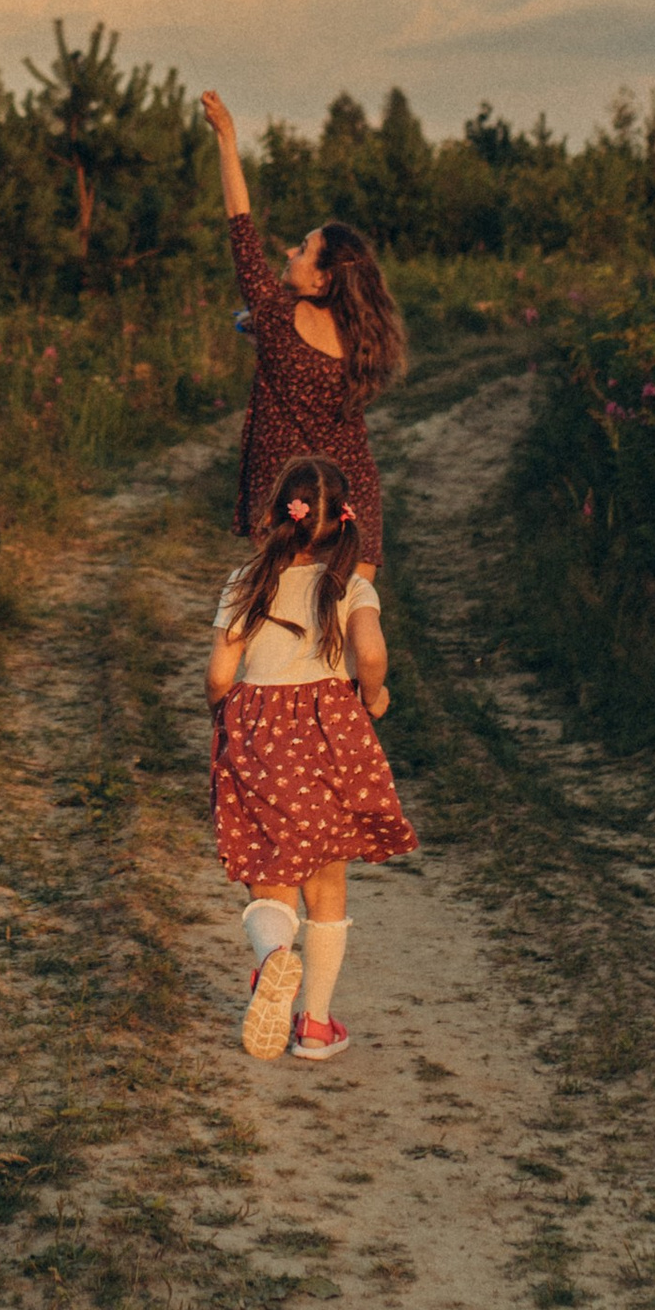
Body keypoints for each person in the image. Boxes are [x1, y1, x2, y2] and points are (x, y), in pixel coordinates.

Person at [206, 453, 417, 1063]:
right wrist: (371, 695)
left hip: (258, 727)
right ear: (345, 524)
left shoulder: (246, 582)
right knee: (326, 878)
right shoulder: (349, 586)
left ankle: (275, 958)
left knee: (268, 871)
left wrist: (223, 710)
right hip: (328, 727)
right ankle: (316, 1026)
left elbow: (220, 672)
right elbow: (371, 654)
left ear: (274, 515)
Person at [195, 89, 408, 586]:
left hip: (285, 503)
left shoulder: (273, 318)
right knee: (350, 635)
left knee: (285, 639)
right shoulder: (364, 345)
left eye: (304, 249)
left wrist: (227, 137)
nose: (290, 250)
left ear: (321, 280)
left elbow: (239, 222)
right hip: (349, 503)